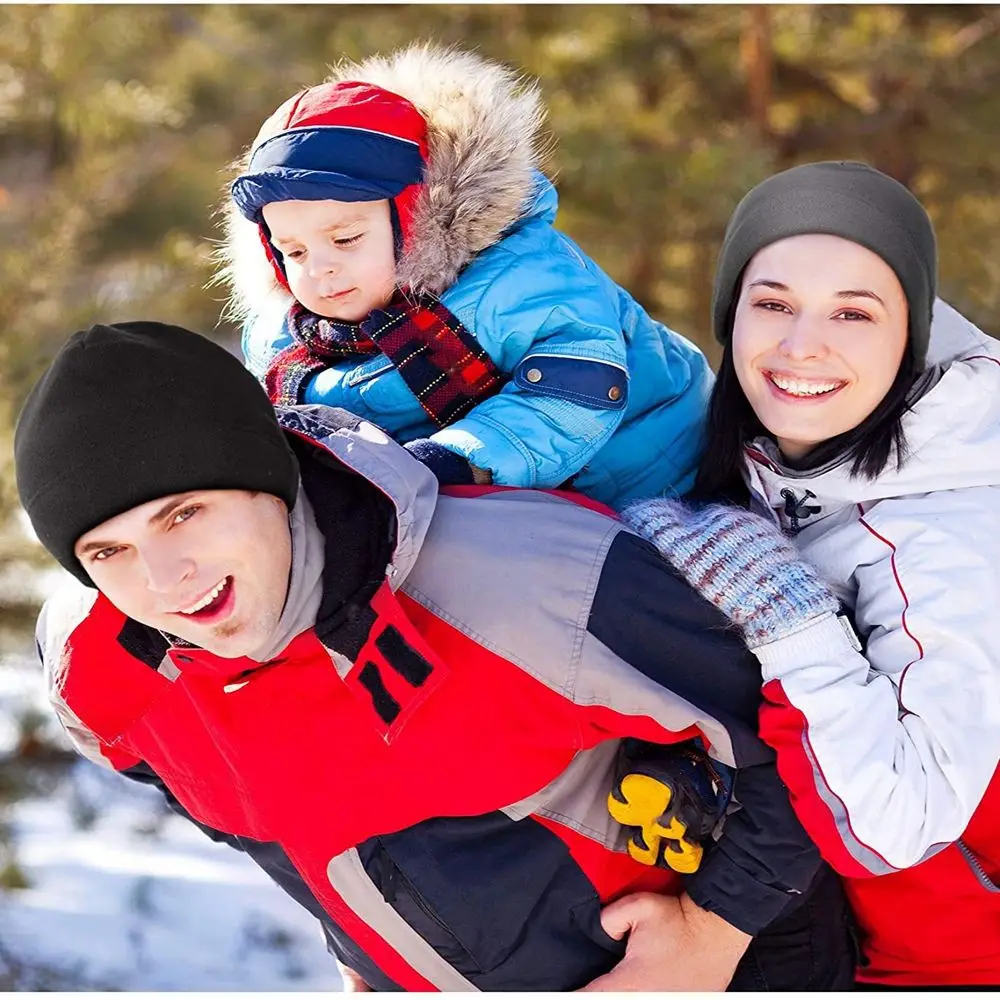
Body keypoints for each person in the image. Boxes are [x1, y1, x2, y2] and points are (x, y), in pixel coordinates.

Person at [14, 321, 856, 991]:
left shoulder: (524, 579)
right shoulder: (101, 671)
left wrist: (712, 939)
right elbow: (265, 819)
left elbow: (814, 739)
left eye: (183, 513)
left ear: (266, 477)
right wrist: (365, 952)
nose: (165, 582)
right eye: (106, 552)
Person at [618, 161, 1000, 988]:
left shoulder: (949, 531)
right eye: (774, 303)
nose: (801, 344)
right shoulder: (778, 462)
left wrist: (784, 612)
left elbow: (898, 826)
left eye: (853, 312)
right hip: (824, 945)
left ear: (912, 333)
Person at [220, 44, 712, 506]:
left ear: (415, 220)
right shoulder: (283, 341)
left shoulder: (522, 279)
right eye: (293, 250)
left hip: (650, 468)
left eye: (346, 239)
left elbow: (575, 390)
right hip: (466, 496)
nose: (320, 266)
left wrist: (460, 458)